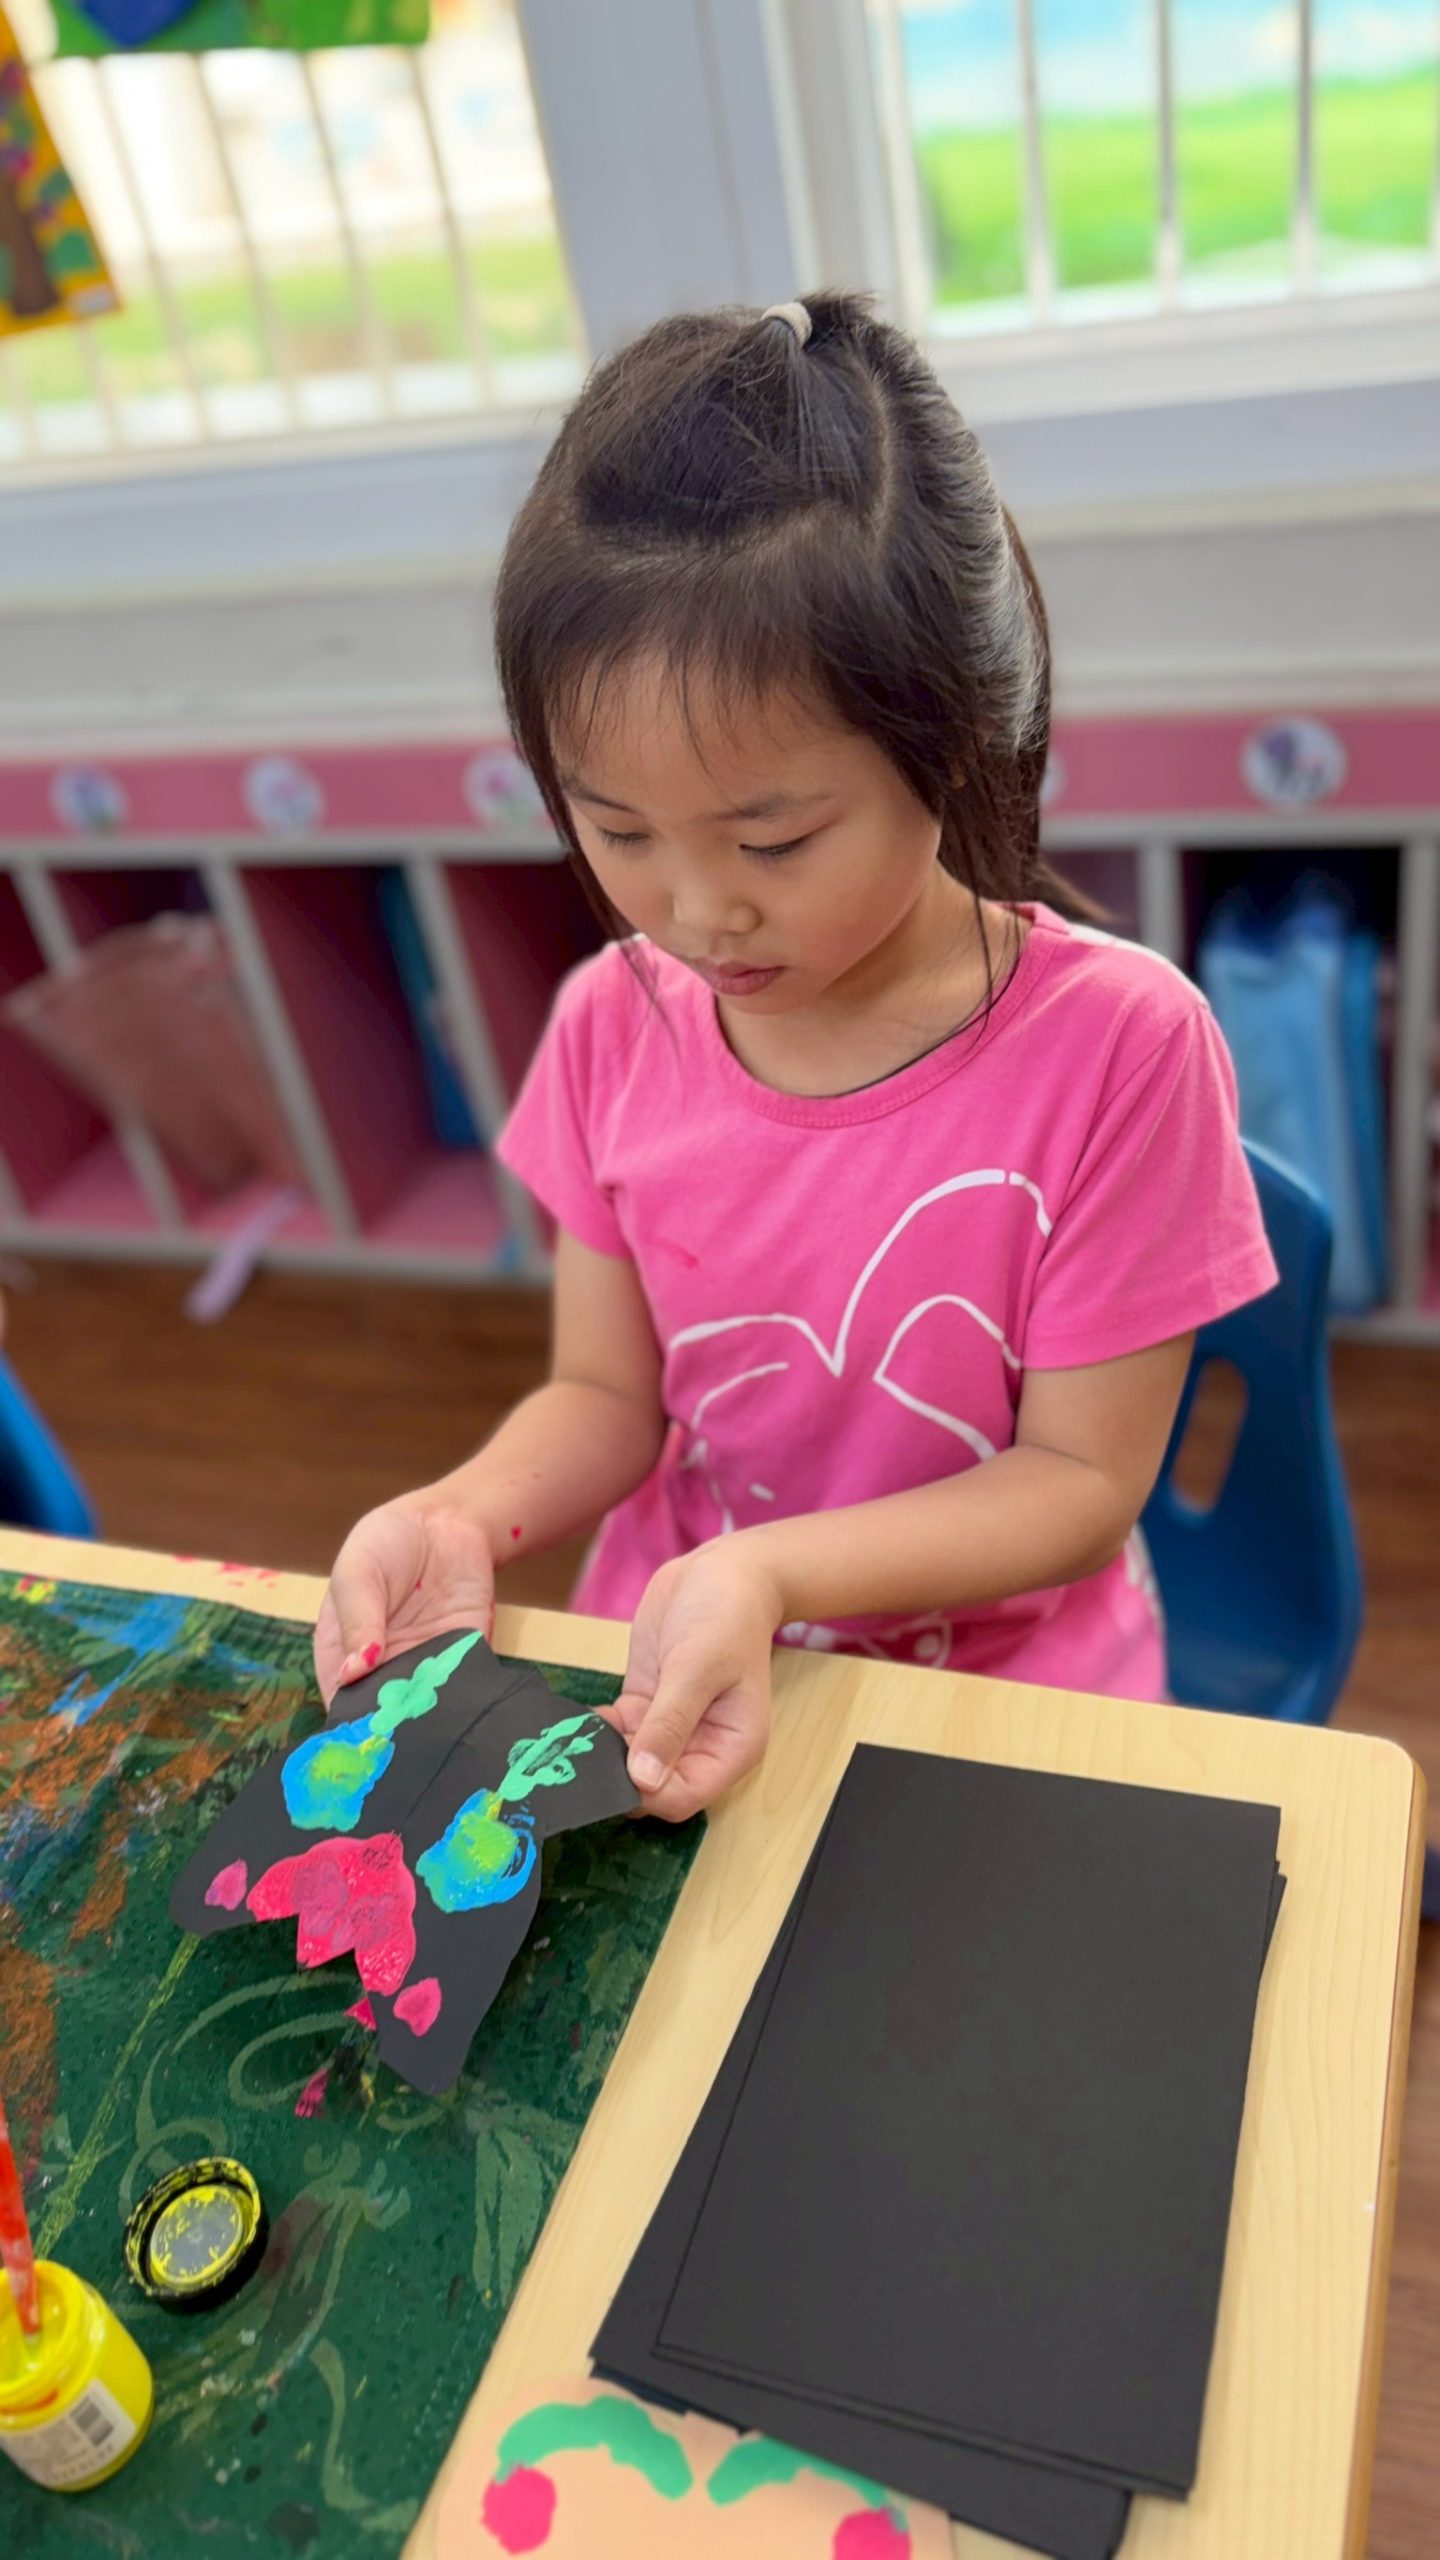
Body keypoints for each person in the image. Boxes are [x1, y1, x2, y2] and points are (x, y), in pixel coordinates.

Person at [315, 291, 1276, 1822]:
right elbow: (605, 1395)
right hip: (685, 1647)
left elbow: (1082, 1486)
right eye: (618, 831)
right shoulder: (612, 1023)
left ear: (952, 743)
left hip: (1003, 1690)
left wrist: (768, 1571)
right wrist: (461, 1513)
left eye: (773, 841)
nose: (699, 911)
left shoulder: (1123, 1052)